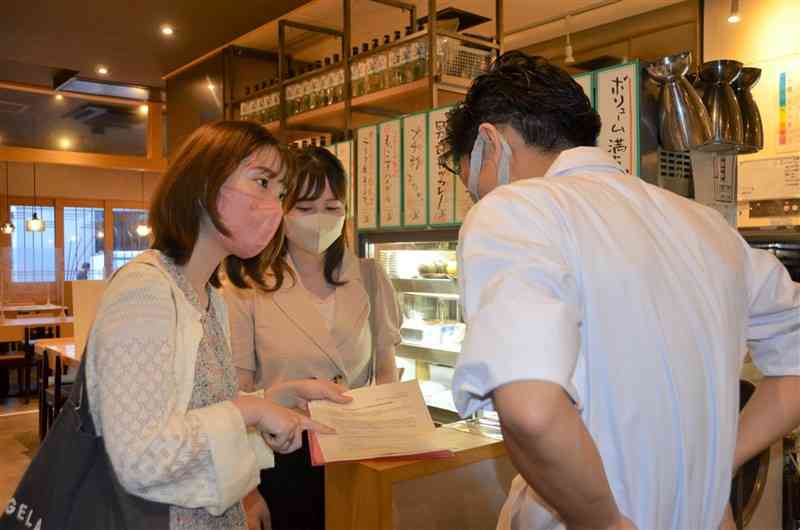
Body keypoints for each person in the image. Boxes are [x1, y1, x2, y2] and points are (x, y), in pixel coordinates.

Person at [444, 51, 800, 530]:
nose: (480, 196)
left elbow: (530, 410)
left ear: (490, 141)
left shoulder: (516, 209)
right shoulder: (706, 226)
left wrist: (605, 521)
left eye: (473, 181)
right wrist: (717, 460)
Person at [85, 121, 351, 530]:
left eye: (280, 194)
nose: (274, 208)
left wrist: (278, 398)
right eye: (262, 182)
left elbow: (206, 410)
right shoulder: (145, 289)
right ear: (204, 182)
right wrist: (250, 409)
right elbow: (140, 456)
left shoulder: (209, 297)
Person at [224, 146, 402, 530]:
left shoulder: (370, 277)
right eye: (305, 209)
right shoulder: (246, 285)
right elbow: (236, 394)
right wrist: (246, 491)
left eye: (332, 207)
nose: (319, 220)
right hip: (280, 458)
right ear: (281, 209)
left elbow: (386, 373)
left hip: (357, 452)